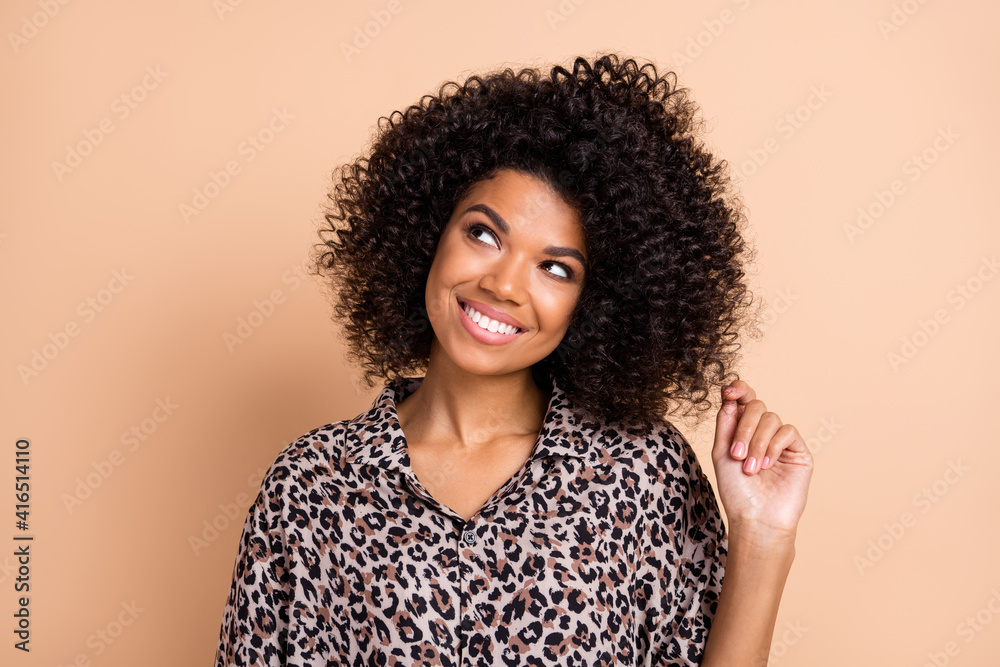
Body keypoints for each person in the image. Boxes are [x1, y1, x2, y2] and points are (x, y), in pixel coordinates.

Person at [214, 52, 813, 666]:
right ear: (428, 234)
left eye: (556, 268)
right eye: (483, 234)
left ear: (597, 301)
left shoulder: (640, 473)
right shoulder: (314, 486)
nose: (504, 285)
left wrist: (764, 537)